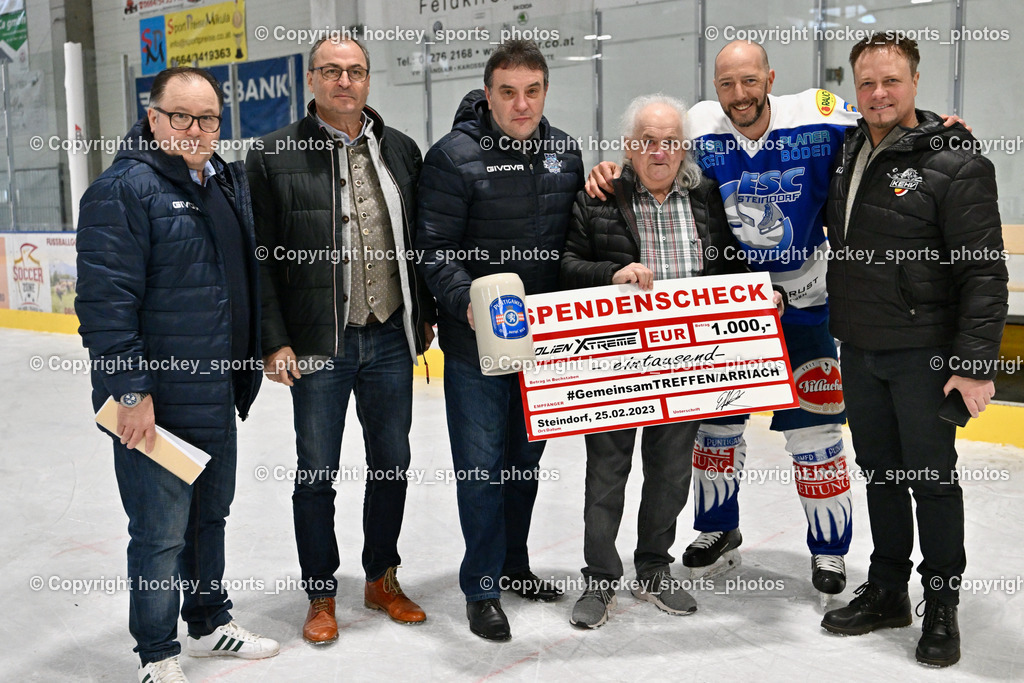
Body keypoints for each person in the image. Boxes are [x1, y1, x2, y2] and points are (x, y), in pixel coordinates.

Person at [588, 41, 860, 597]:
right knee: (713, 429)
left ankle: (829, 551)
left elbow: (884, 131)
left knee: (817, 431)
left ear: (769, 77)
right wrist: (609, 169)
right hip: (725, 310)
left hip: (802, 303)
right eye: (727, 83)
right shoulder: (696, 124)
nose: (739, 94)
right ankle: (718, 530)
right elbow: (649, 158)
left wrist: (931, 125)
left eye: (749, 81)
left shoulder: (818, 112)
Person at [76, 66, 278, 683]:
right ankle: (157, 653)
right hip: (155, 405)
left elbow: (240, 280)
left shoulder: (223, 180)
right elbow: (105, 306)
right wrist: (131, 391)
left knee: (208, 518)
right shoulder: (122, 191)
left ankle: (209, 621)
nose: (197, 130)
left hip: (215, 393)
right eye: (183, 117)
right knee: (160, 535)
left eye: (210, 118)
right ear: (154, 117)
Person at [820, 33, 1007, 668]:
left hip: (923, 354)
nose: (877, 93)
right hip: (861, 346)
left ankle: (942, 605)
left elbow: (983, 272)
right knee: (881, 476)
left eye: (891, 81)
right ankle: (887, 590)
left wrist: (975, 364)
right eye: (867, 82)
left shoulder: (956, 159)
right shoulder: (846, 149)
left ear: (916, 83)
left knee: (930, 481)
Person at [246, 37, 436, 644]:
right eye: (332, 71)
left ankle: (381, 577)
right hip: (317, 344)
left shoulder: (402, 150)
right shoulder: (273, 156)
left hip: (387, 338)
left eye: (355, 71)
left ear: (369, 80)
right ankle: (321, 593)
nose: (345, 82)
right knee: (316, 471)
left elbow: (424, 244)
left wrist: (423, 314)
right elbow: (261, 262)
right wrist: (274, 341)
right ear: (312, 80)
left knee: (393, 463)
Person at [416, 39, 584, 641]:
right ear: (488, 95)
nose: (521, 104)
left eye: (532, 91)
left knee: (524, 463)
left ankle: (515, 565)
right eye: (508, 92)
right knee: (482, 467)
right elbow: (433, 252)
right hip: (476, 345)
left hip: (546, 345)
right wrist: (474, 306)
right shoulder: (452, 159)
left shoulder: (565, 153)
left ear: (545, 91)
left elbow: (576, 242)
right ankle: (481, 587)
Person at [560, 94, 748, 628]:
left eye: (670, 142)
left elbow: (728, 264)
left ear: (683, 148)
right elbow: (566, 267)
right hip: (614, 362)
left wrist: (757, 298)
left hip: (685, 361)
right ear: (629, 147)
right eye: (647, 141)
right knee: (607, 476)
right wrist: (611, 275)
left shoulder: (707, 197)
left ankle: (653, 569)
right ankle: (599, 579)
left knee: (669, 475)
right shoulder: (597, 198)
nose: (659, 152)